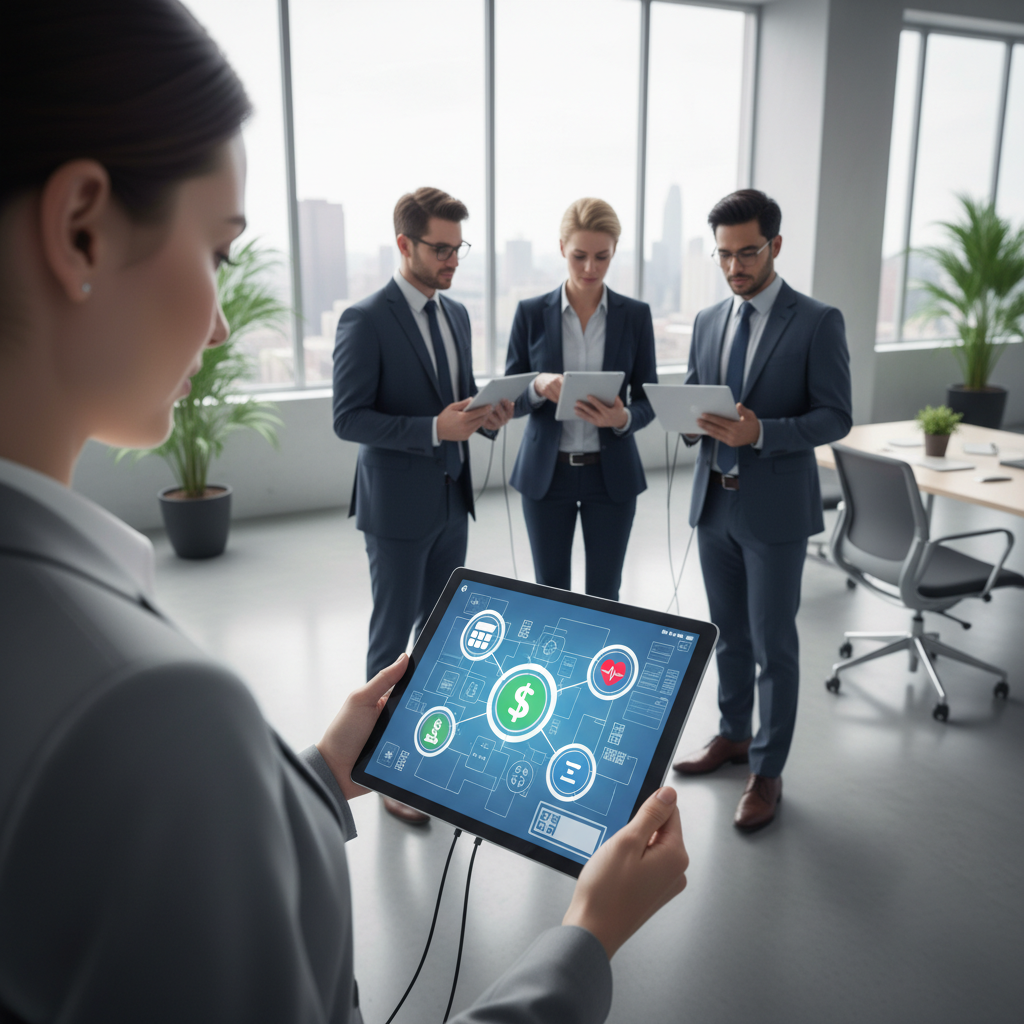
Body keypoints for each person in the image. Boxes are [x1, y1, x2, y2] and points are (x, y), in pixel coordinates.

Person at [0, 3, 690, 1020]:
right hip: (404, 494)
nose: (226, 318)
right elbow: (356, 415)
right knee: (393, 624)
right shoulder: (152, 712)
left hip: (458, 493)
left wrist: (321, 773)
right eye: (220, 249)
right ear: (81, 228)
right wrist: (585, 942)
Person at [672, 189, 852, 831]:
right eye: (723, 255)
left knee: (774, 643)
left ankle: (767, 771)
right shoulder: (709, 318)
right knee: (728, 636)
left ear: (775, 245)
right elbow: (701, 394)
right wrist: (687, 420)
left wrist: (764, 433)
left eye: (746, 253)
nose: (733, 267)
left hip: (774, 511)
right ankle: (733, 735)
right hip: (713, 505)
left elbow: (835, 415)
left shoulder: (816, 321)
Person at [333, 187, 513, 823]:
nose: (452, 260)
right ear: (404, 244)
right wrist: (434, 429)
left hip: (449, 500)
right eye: (441, 248)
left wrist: (487, 415)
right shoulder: (365, 319)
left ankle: (419, 749)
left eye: (459, 248)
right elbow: (349, 418)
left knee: (437, 638)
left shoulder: (457, 315)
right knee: (391, 642)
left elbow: (456, 401)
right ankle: (378, 766)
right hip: (397, 507)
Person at [504, 198, 657, 601]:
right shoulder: (531, 313)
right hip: (545, 475)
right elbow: (510, 398)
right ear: (561, 249)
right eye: (579, 256)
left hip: (611, 476)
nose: (590, 268)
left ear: (614, 251)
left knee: (606, 595)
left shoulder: (635, 316)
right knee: (549, 593)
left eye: (602, 256)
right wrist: (537, 387)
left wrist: (623, 418)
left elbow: (648, 398)